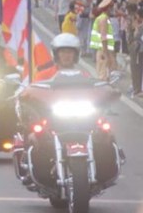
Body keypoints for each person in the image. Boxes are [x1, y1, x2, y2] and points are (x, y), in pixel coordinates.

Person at [18, 33, 122, 189]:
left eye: (70, 52)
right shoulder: (44, 74)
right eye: (63, 52)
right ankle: (27, 165)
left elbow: (96, 91)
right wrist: (25, 94)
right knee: (33, 131)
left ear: (76, 54)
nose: (66, 55)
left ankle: (108, 166)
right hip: (53, 117)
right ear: (56, 54)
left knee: (105, 131)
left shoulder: (85, 75)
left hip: (82, 117)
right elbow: (32, 92)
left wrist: (108, 92)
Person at [90, 0, 118, 81]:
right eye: (111, 7)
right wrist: (106, 54)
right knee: (103, 76)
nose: (112, 10)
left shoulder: (102, 17)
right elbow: (104, 37)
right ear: (108, 8)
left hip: (102, 49)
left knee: (105, 74)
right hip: (103, 50)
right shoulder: (103, 19)